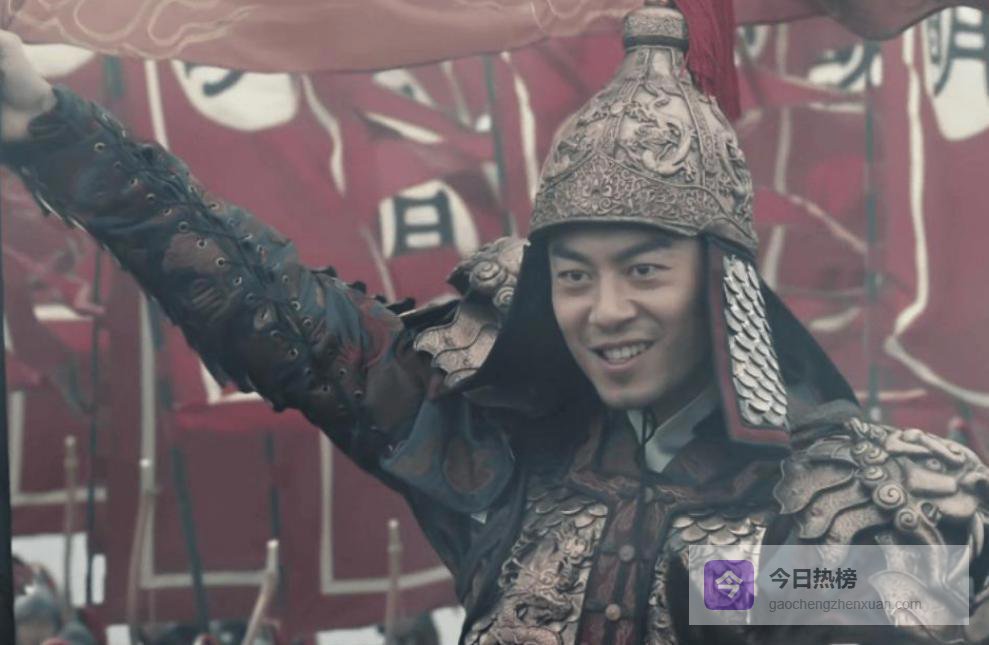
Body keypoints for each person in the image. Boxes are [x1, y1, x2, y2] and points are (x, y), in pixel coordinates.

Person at [1, 1, 988, 643]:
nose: (605, 311)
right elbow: (281, 314)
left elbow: (910, 598)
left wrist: (722, 587)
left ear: (721, 285)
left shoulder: (853, 494)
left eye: (644, 270)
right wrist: (52, 128)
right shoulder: (506, 445)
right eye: (574, 276)